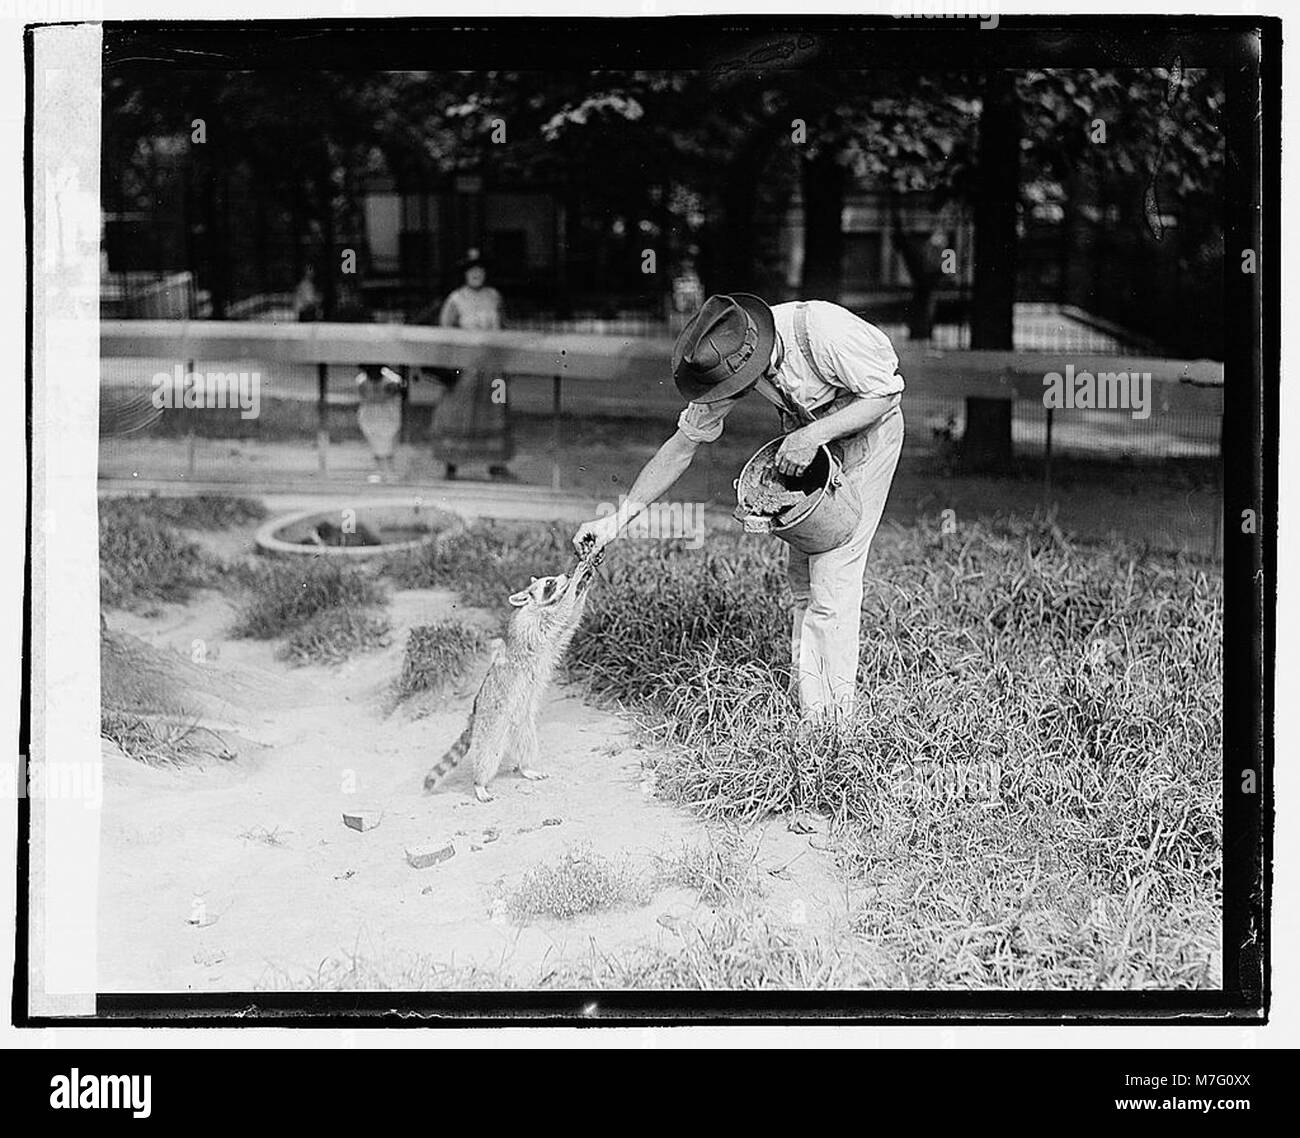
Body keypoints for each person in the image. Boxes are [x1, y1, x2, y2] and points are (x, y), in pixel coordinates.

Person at [573, 292, 905, 724]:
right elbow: (681, 447)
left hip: (867, 438)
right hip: (811, 444)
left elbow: (886, 394)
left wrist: (810, 437)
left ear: (758, 350)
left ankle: (829, 728)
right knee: (801, 576)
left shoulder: (823, 330)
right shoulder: (728, 354)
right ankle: (807, 695)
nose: (735, 392)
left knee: (832, 572)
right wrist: (617, 520)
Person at [427, 250, 515, 481]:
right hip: (466, 367)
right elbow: (445, 331)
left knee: (495, 409)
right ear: (465, 274)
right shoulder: (456, 299)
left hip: (493, 368)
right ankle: (451, 461)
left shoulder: (494, 296)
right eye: (472, 270)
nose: (476, 274)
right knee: (458, 410)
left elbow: (504, 327)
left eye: (480, 270)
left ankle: (496, 462)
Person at [355, 364, 404, 483]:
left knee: (389, 446)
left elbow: (390, 393)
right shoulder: (361, 380)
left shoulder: (393, 380)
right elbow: (367, 396)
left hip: (388, 418)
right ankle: (379, 471)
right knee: (375, 446)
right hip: (370, 418)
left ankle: (391, 472)